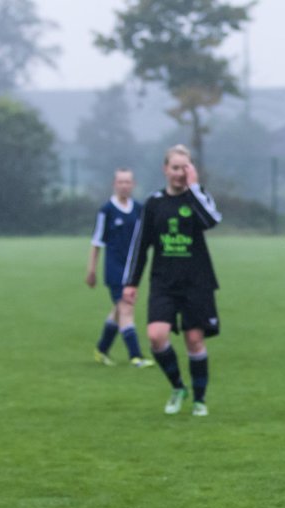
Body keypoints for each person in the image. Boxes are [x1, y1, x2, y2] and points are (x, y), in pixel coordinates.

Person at [122, 144, 223, 417]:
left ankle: (199, 399)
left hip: (196, 282)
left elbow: (211, 221)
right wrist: (131, 283)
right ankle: (178, 387)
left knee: (194, 340)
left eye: (185, 167)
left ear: (192, 170)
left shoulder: (198, 197)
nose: (180, 173)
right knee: (156, 336)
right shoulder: (154, 204)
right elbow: (140, 245)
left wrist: (193, 189)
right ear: (165, 169)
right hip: (163, 282)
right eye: (175, 167)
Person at [86, 168, 152, 368]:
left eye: (128, 182)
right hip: (114, 269)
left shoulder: (139, 209)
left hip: (133, 269)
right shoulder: (106, 210)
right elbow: (97, 242)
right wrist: (91, 270)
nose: (124, 185)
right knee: (126, 308)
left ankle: (102, 349)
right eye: (120, 182)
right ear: (114, 184)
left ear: (133, 184)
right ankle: (136, 356)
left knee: (118, 311)